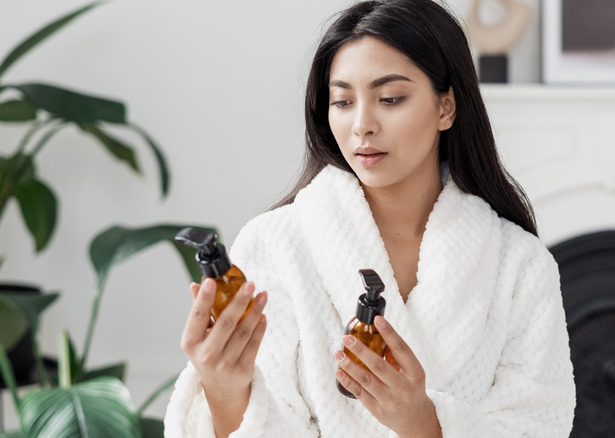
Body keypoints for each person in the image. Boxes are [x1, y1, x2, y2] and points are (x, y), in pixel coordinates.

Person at [164, 0, 575, 436]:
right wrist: (223, 388)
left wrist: (424, 423)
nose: (362, 125)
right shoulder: (275, 244)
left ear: (446, 108)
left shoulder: (518, 264)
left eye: (390, 98)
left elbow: (538, 424)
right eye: (342, 101)